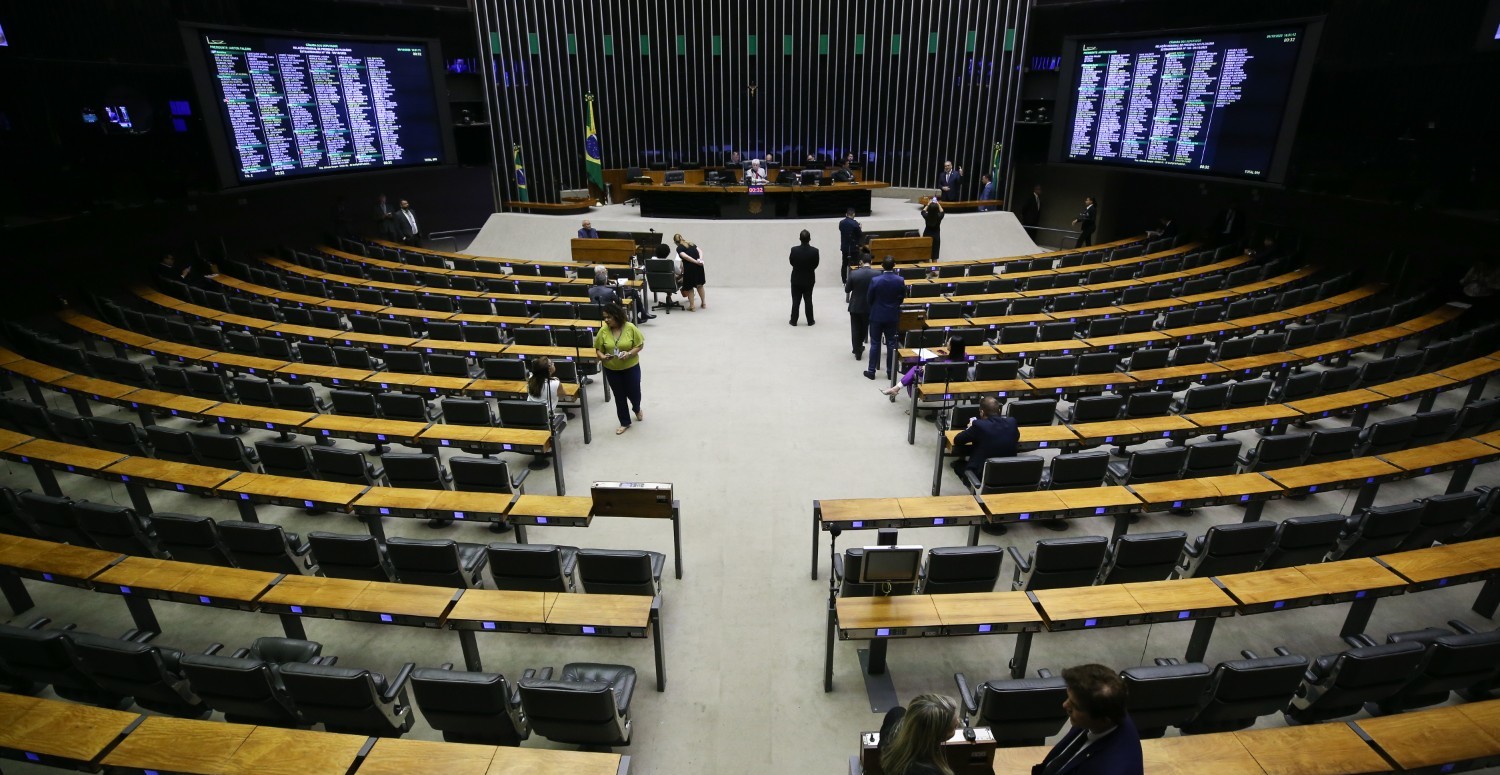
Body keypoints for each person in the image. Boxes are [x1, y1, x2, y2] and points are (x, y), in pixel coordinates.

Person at [1032, 664, 1143, 775]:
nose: (1064, 705)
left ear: (1104, 719)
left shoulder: (1108, 769)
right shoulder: (1108, 710)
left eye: (1075, 706)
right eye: (1068, 698)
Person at [951, 396, 1019, 534]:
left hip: (984, 477)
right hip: (1010, 476)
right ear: (999, 410)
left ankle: (978, 501)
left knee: (958, 465)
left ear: (982, 412)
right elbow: (1016, 437)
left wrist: (970, 427)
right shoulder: (1012, 422)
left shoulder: (979, 426)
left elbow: (958, 440)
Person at [593, 303, 645, 435]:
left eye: (608, 317)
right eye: (604, 317)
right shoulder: (603, 331)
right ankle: (624, 422)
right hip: (612, 369)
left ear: (616, 316)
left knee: (634, 393)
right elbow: (598, 349)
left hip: (630, 367)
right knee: (619, 396)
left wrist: (629, 353)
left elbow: (640, 345)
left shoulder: (630, 327)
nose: (606, 320)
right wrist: (602, 357)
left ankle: (637, 408)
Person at [879, 693, 961, 775]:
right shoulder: (929, 772)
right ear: (933, 736)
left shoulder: (894, 717)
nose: (959, 721)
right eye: (954, 728)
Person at [883, 337, 968, 399]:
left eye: (949, 342)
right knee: (917, 369)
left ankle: (896, 389)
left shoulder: (947, 364)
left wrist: (926, 368)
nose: (947, 343)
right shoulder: (965, 357)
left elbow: (937, 370)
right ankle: (895, 389)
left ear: (953, 347)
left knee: (915, 370)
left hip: (939, 382)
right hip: (955, 382)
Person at [865, 256, 906, 380]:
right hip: (892, 316)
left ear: (882, 265)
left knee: (875, 343)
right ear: (894, 265)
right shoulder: (900, 280)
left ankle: (871, 371)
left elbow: (869, 298)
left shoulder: (875, 280)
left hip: (876, 315)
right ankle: (890, 372)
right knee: (891, 344)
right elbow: (902, 298)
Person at [845, 252, 878, 360]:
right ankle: (859, 346)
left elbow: (847, 289)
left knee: (855, 328)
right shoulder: (877, 274)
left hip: (855, 305)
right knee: (864, 327)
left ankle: (857, 349)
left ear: (861, 262)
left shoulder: (854, 273)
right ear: (871, 262)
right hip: (869, 306)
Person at [788, 229, 819, 326]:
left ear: (799, 239)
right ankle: (810, 320)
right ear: (809, 239)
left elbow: (791, 262)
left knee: (796, 300)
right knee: (808, 300)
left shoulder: (794, 250)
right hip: (809, 278)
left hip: (796, 278)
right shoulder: (815, 251)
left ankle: (793, 320)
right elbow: (815, 264)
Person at [674, 233, 707, 311]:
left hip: (689, 268)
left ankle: (692, 306)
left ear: (675, 242)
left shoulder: (679, 248)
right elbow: (700, 251)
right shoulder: (691, 243)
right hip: (699, 266)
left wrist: (695, 262)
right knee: (700, 285)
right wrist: (700, 260)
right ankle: (703, 303)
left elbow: (685, 257)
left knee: (689, 287)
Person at [839, 207, 863, 282]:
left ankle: (844, 280)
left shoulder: (841, 223)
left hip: (845, 247)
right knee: (855, 264)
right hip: (853, 248)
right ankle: (854, 279)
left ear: (846, 214)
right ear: (853, 214)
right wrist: (860, 228)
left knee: (844, 264)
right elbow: (859, 235)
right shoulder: (855, 224)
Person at [921, 197, 945, 261]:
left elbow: (923, 211)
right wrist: (938, 204)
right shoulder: (939, 217)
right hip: (936, 237)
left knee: (926, 255)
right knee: (934, 257)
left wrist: (928, 204)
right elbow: (942, 211)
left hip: (927, 235)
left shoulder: (926, 216)